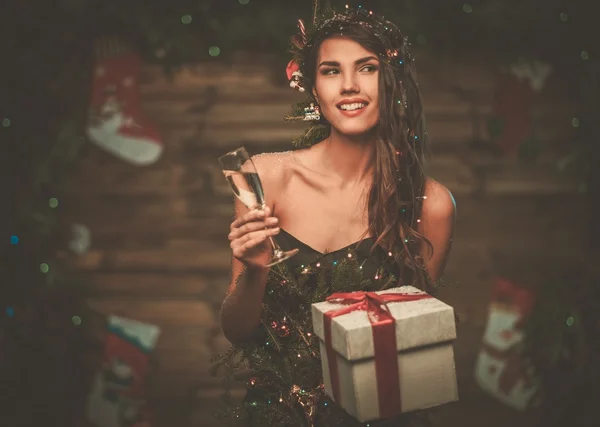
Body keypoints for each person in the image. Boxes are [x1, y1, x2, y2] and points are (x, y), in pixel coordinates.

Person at [219, 5, 456, 427]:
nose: (349, 86)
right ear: (312, 86)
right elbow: (237, 331)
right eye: (331, 71)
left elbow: (415, 347)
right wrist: (255, 273)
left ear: (393, 80)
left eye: (366, 68)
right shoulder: (264, 176)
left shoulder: (430, 203)